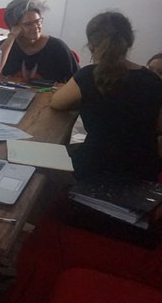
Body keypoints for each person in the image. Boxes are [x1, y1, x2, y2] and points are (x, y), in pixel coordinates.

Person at [50, 12, 162, 182]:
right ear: (129, 42)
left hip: (95, 171)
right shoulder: (153, 80)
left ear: (91, 45)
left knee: (45, 170)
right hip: (143, 173)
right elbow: (158, 127)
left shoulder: (88, 76)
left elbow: (57, 103)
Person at [0, 0, 79, 83]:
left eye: (38, 21)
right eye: (28, 24)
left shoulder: (57, 47)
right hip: (14, 94)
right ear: (14, 27)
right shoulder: (6, 47)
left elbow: (79, 81)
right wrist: (12, 36)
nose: (36, 27)